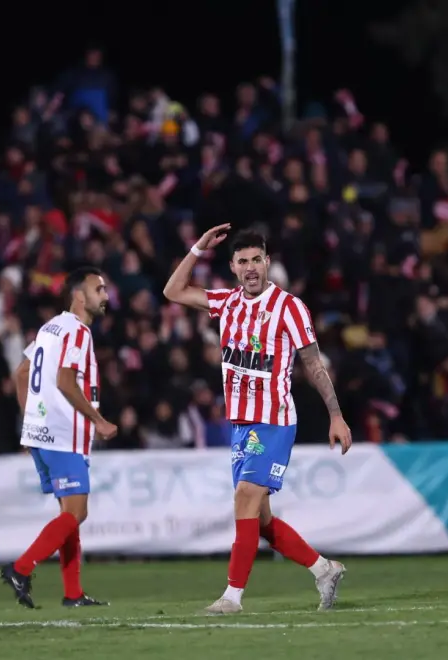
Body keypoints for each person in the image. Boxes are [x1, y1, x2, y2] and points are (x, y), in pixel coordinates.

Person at [163, 225, 352, 614]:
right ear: (232, 266)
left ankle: (232, 597)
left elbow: (313, 364)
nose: (250, 268)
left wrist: (336, 415)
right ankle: (324, 569)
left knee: (244, 497)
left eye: (256, 260)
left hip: (274, 421)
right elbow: (173, 291)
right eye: (242, 261)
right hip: (241, 427)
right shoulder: (226, 303)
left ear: (268, 262)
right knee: (261, 522)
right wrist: (198, 248)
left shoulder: (289, 307)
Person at [0, 266, 118, 608]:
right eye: (99, 289)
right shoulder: (78, 332)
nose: (106, 296)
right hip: (63, 434)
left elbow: (21, 374)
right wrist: (98, 420)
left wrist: (29, 423)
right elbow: (66, 381)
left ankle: (73, 594)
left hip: (42, 432)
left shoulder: (49, 328)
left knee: (70, 512)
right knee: (77, 513)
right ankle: (20, 568)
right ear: (79, 296)